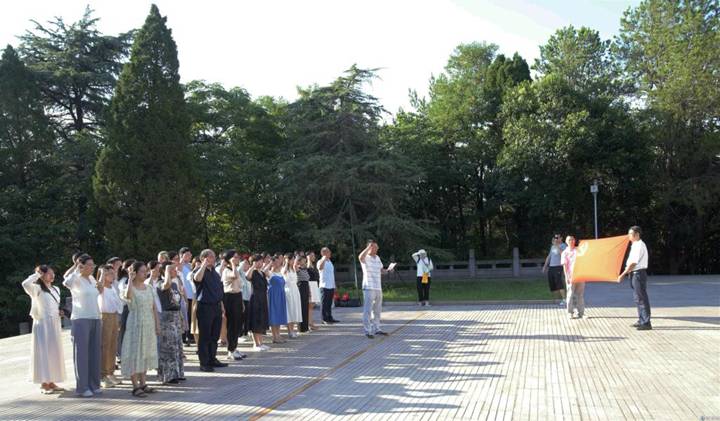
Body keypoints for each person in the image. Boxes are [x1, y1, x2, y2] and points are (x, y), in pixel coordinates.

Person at [21, 265, 66, 394]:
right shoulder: (36, 288)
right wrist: (37, 274)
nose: (52, 275)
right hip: (42, 323)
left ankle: (51, 381)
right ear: (42, 275)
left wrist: (60, 312)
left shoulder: (56, 289)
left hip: (54, 323)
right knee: (43, 352)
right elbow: (25, 284)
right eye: (49, 273)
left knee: (53, 352)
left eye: (53, 273)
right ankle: (43, 383)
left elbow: (54, 306)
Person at [63, 253, 103, 397]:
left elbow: (99, 292)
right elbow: (66, 283)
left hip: (95, 317)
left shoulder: (91, 278)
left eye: (93, 265)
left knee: (95, 353)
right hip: (81, 319)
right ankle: (83, 387)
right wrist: (76, 269)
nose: (92, 267)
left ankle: (94, 384)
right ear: (82, 266)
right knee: (81, 354)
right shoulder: (76, 279)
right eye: (90, 265)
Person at [121, 261, 159, 397]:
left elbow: (154, 307)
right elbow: (128, 296)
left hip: (148, 323)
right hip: (135, 324)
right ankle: (135, 386)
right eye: (142, 271)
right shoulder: (129, 287)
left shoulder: (149, 288)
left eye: (146, 271)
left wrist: (157, 324)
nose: (145, 274)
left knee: (145, 352)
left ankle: (143, 383)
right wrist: (130, 279)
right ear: (135, 273)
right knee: (134, 353)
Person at [192, 249, 228, 372]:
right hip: (205, 307)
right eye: (211, 257)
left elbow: (219, 290)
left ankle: (212, 358)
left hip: (216, 306)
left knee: (215, 335)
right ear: (204, 258)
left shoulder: (214, 273)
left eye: (213, 257)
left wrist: (222, 305)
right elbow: (197, 279)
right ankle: (204, 362)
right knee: (205, 336)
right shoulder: (199, 270)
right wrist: (203, 265)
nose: (213, 259)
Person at [617, 226, 652, 330]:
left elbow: (633, 263)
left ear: (636, 235)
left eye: (630, 234)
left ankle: (646, 322)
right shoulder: (635, 245)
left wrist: (622, 274)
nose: (628, 236)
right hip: (635, 274)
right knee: (637, 298)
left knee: (641, 298)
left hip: (638, 274)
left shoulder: (639, 245)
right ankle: (641, 319)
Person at [156, 262, 185, 384]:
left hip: (176, 315)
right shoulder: (160, 283)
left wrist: (181, 317)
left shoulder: (174, 284)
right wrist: (167, 271)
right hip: (166, 317)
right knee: (168, 347)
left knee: (177, 345)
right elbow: (165, 286)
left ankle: (178, 372)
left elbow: (177, 301)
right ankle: (168, 375)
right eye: (172, 269)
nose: (175, 271)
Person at [97, 264, 123, 388]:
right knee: (105, 346)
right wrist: (102, 273)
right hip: (105, 316)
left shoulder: (112, 287)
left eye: (113, 273)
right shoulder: (100, 287)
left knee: (113, 345)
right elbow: (99, 287)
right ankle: (102, 375)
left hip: (114, 316)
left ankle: (110, 372)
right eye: (110, 274)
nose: (113, 275)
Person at [359, 240, 390, 338]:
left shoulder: (377, 258)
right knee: (368, 310)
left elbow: (381, 270)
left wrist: (388, 270)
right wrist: (368, 247)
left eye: (377, 247)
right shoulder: (365, 257)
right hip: (369, 287)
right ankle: (367, 331)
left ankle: (377, 328)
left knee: (377, 310)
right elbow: (360, 257)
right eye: (375, 247)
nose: (377, 248)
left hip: (378, 287)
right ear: (370, 247)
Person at [221, 250, 247, 361]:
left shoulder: (234, 269)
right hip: (229, 298)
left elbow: (240, 287)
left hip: (237, 296)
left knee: (237, 325)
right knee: (232, 325)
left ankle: (234, 348)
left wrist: (242, 302)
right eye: (235, 257)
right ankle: (230, 350)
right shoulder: (227, 270)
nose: (237, 259)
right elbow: (235, 276)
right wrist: (231, 263)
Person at [246, 255, 270, 351]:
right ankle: (255, 344)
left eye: (261, 261)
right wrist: (253, 266)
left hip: (263, 298)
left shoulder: (262, 273)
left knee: (261, 320)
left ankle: (261, 343)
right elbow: (247, 276)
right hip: (255, 298)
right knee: (255, 321)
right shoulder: (253, 272)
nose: (260, 263)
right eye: (258, 261)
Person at [562, 236, 585, 319]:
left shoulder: (579, 250)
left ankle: (581, 313)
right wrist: (567, 276)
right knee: (570, 295)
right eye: (569, 240)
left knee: (580, 295)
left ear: (575, 241)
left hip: (580, 276)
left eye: (572, 240)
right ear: (566, 242)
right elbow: (564, 266)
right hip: (570, 276)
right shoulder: (565, 252)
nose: (571, 241)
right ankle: (570, 313)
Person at [267, 254, 289, 343]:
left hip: (281, 295)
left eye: (278, 262)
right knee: (274, 315)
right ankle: (274, 336)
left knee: (279, 314)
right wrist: (270, 263)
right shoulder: (270, 273)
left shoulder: (280, 273)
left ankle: (278, 335)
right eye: (275, 262)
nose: (277, 264)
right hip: (273, 295)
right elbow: (264, 271)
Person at [543, 235, 567, 306]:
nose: (556, 239)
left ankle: (564, 299)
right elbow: (549, 256)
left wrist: (557, 245)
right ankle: (557, 299)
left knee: (559, 282)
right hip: (551, 267)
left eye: (557, 238)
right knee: (552, 282)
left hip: (558, 266)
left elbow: (563, 254)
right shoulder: (552, 246)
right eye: (555, 237)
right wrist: (545, 266)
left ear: (561, 238)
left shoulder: (563, 245)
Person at [282, 253, 303, 338]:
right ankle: (290, 331)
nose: (294, 261)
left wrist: (296, 262)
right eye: (293, 259)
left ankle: (293, 330)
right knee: (289, 311)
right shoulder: (284, 269)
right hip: (288, 290)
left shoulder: (293, 268)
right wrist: (287, 262)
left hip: (295, 290)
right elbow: (285, 277)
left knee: (295, 310)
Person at [318, 247, 339, 324]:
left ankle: (330, 317)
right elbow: (320, 268)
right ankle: (324, 319)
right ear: (323, 253)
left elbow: (332, 275)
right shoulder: (320, 261)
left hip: (331, 285)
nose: (330, 253)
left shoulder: (330, 262)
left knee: (329, 303)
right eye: (328, 252)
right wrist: (323, 259)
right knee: (324, 303)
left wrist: (334, 285)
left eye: (329, 252)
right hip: (324, 286)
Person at [178, 247, 195, 345]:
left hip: (192, 294)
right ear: (181, 255)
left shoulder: (190, 265)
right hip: (184, 294)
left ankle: (190, 336)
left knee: (190, 316)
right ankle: (184, 337)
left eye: (190, 255)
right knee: (184, 316)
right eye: (187, 255)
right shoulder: (179, 265)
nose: (189, 256)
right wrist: (181, 260)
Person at [295, 255, 311, 333]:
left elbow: (307, 280)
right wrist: (296, 259)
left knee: (305, 307)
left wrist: (310, 291)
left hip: (306, 287)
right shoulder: (298, 268)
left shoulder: (305, 269)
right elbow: (295, 266)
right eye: (303, 260)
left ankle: (305, 327)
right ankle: (301, 328)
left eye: (305, 261)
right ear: (299, 261)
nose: (304, 262)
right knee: (301, 308)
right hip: (300, 287)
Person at [239, 256, 253, 343]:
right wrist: (242, 263)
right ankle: (240, 334)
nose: (247, 265)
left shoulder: (248, 274)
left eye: (248, 263)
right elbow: (239, 269)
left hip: (249, 298)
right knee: (242, 317)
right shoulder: (240, 273)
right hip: (242, 298)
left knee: (247, 316)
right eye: (245, 263)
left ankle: (246, 332)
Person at [306, 251, 321, 330]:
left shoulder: (313, 265)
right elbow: (307, 278)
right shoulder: (307, 266)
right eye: (311, 255)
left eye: (314, 255)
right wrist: (309, 289)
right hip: (310, 285)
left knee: (312, 306)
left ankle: (310, 322)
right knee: (310, 305)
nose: (313, 257)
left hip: (315, 285)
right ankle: (310, 323)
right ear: (308, 256)